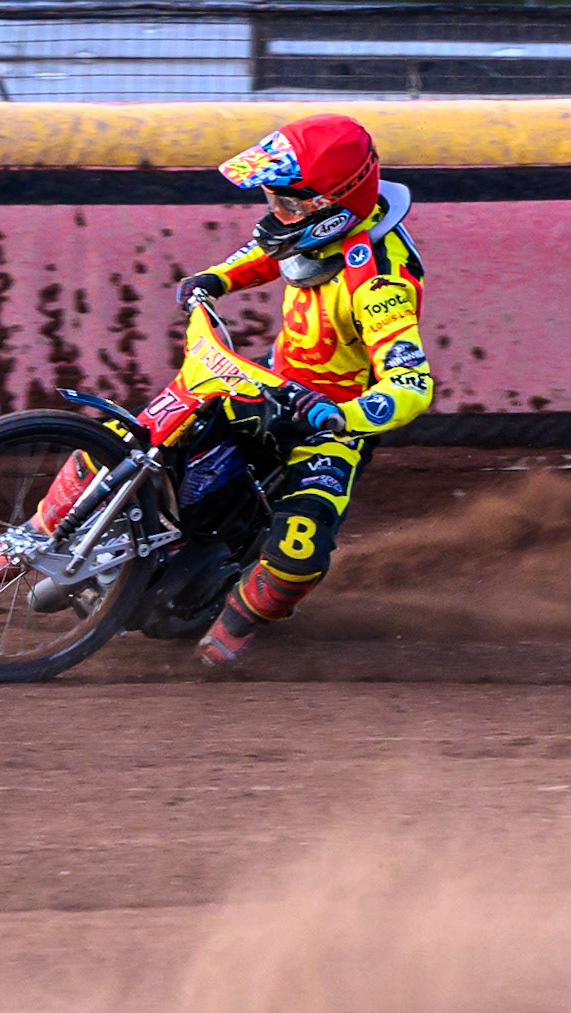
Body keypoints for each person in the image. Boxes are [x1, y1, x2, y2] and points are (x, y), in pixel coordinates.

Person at [174, 113, 433, 665]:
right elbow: (271, 253)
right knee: (168, 421)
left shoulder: (382, 280)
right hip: (273, 381)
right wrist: (214, 279)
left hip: (331, 422)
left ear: (333, 207)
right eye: (272, 199)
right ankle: (39, 528)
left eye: (288, 205)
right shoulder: (311, 227)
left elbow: (413, 384)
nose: (275, 214)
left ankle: (231, 627)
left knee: (300, 554)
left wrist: (340, 417)